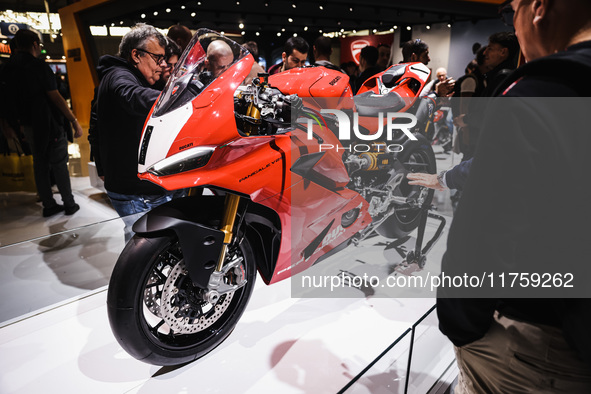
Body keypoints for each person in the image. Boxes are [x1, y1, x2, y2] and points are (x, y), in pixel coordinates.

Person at [437, 1, 591, 392]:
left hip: (543, 345)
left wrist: (460, 326)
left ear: (538, 8)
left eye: (512, 11)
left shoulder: (546, 89)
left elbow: (485, 233)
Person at [94, 23, 186, 221]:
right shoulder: (119, 76)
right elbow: (133, 95)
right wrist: (185, 99)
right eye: (157, 58)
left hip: (135, 184)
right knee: (146, 249)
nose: (161, 65)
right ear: (136, 55)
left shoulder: (128, 75)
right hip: (136, 190)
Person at [0, 29, 82, 217]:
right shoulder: (38, 66)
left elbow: (4, 100)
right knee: (59, 163)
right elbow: (55, 97)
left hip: (26, 125)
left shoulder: (7, 68)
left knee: (40, 164)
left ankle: (48, 204)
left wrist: (7, 125)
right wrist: (73, 120)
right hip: (49, 123)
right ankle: (69, 203)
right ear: (35, 44)